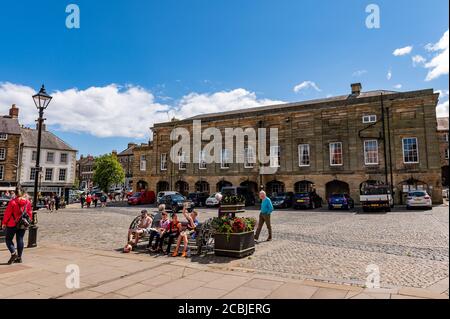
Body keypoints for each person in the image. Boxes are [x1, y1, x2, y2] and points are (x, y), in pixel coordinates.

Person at [1, 189, 33, 264]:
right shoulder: (27, 202)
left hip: (12, 224)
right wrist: (28, 221)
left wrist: (4, 223)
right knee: (20, 239)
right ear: (23, 193)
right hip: (22, 223)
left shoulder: (12, 202)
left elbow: (7, 214)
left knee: (8, 239)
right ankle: (19, 257)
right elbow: (30, 213)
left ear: (15, 194)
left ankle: (13, 253)